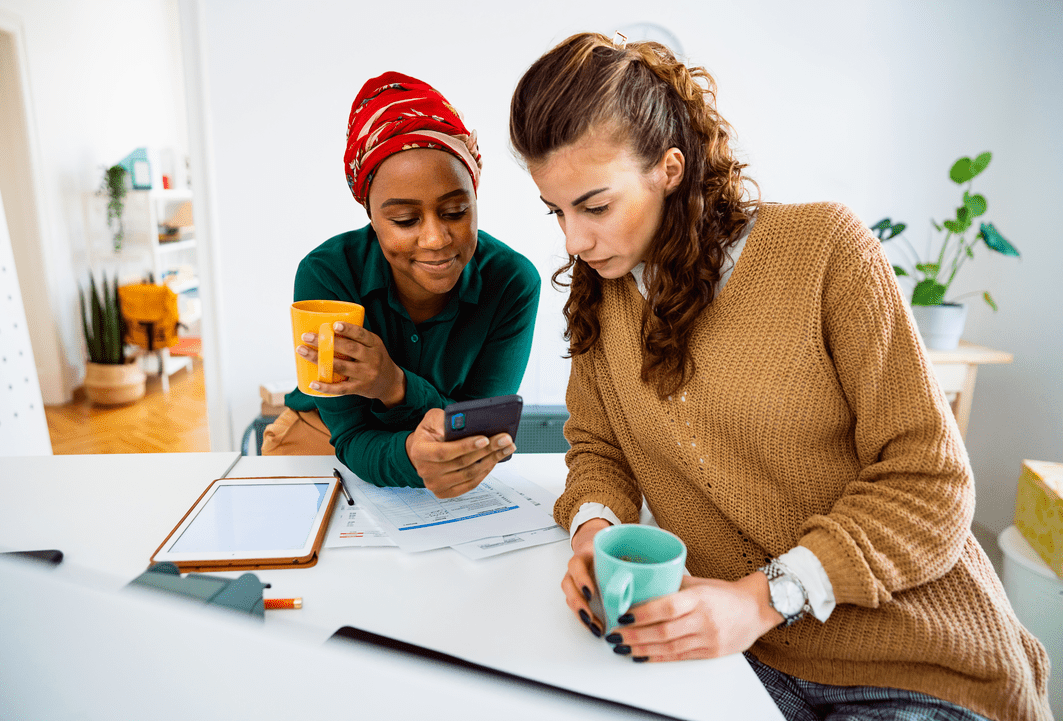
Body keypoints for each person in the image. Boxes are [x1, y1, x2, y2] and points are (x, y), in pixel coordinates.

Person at [508, 33, 1051, 721]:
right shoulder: (602, 295)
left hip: (911, 661)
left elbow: (931, 482)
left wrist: (759, 598)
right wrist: (595, 529)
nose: (573, 242)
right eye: (555, 211)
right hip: (739, 661)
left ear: (668, 169)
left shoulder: (824, 251)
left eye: (594, 205)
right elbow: (598, 448)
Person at [262, 72, 540, 500]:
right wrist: (405, 426)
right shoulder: (327, 275)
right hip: (320, 438)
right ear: (370, 215)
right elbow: (351, 434)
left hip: (444, 461)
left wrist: (394, 386)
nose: (435, 239)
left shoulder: (512, 283)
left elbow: (477, 430)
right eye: (405, 220)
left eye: (455, 211)